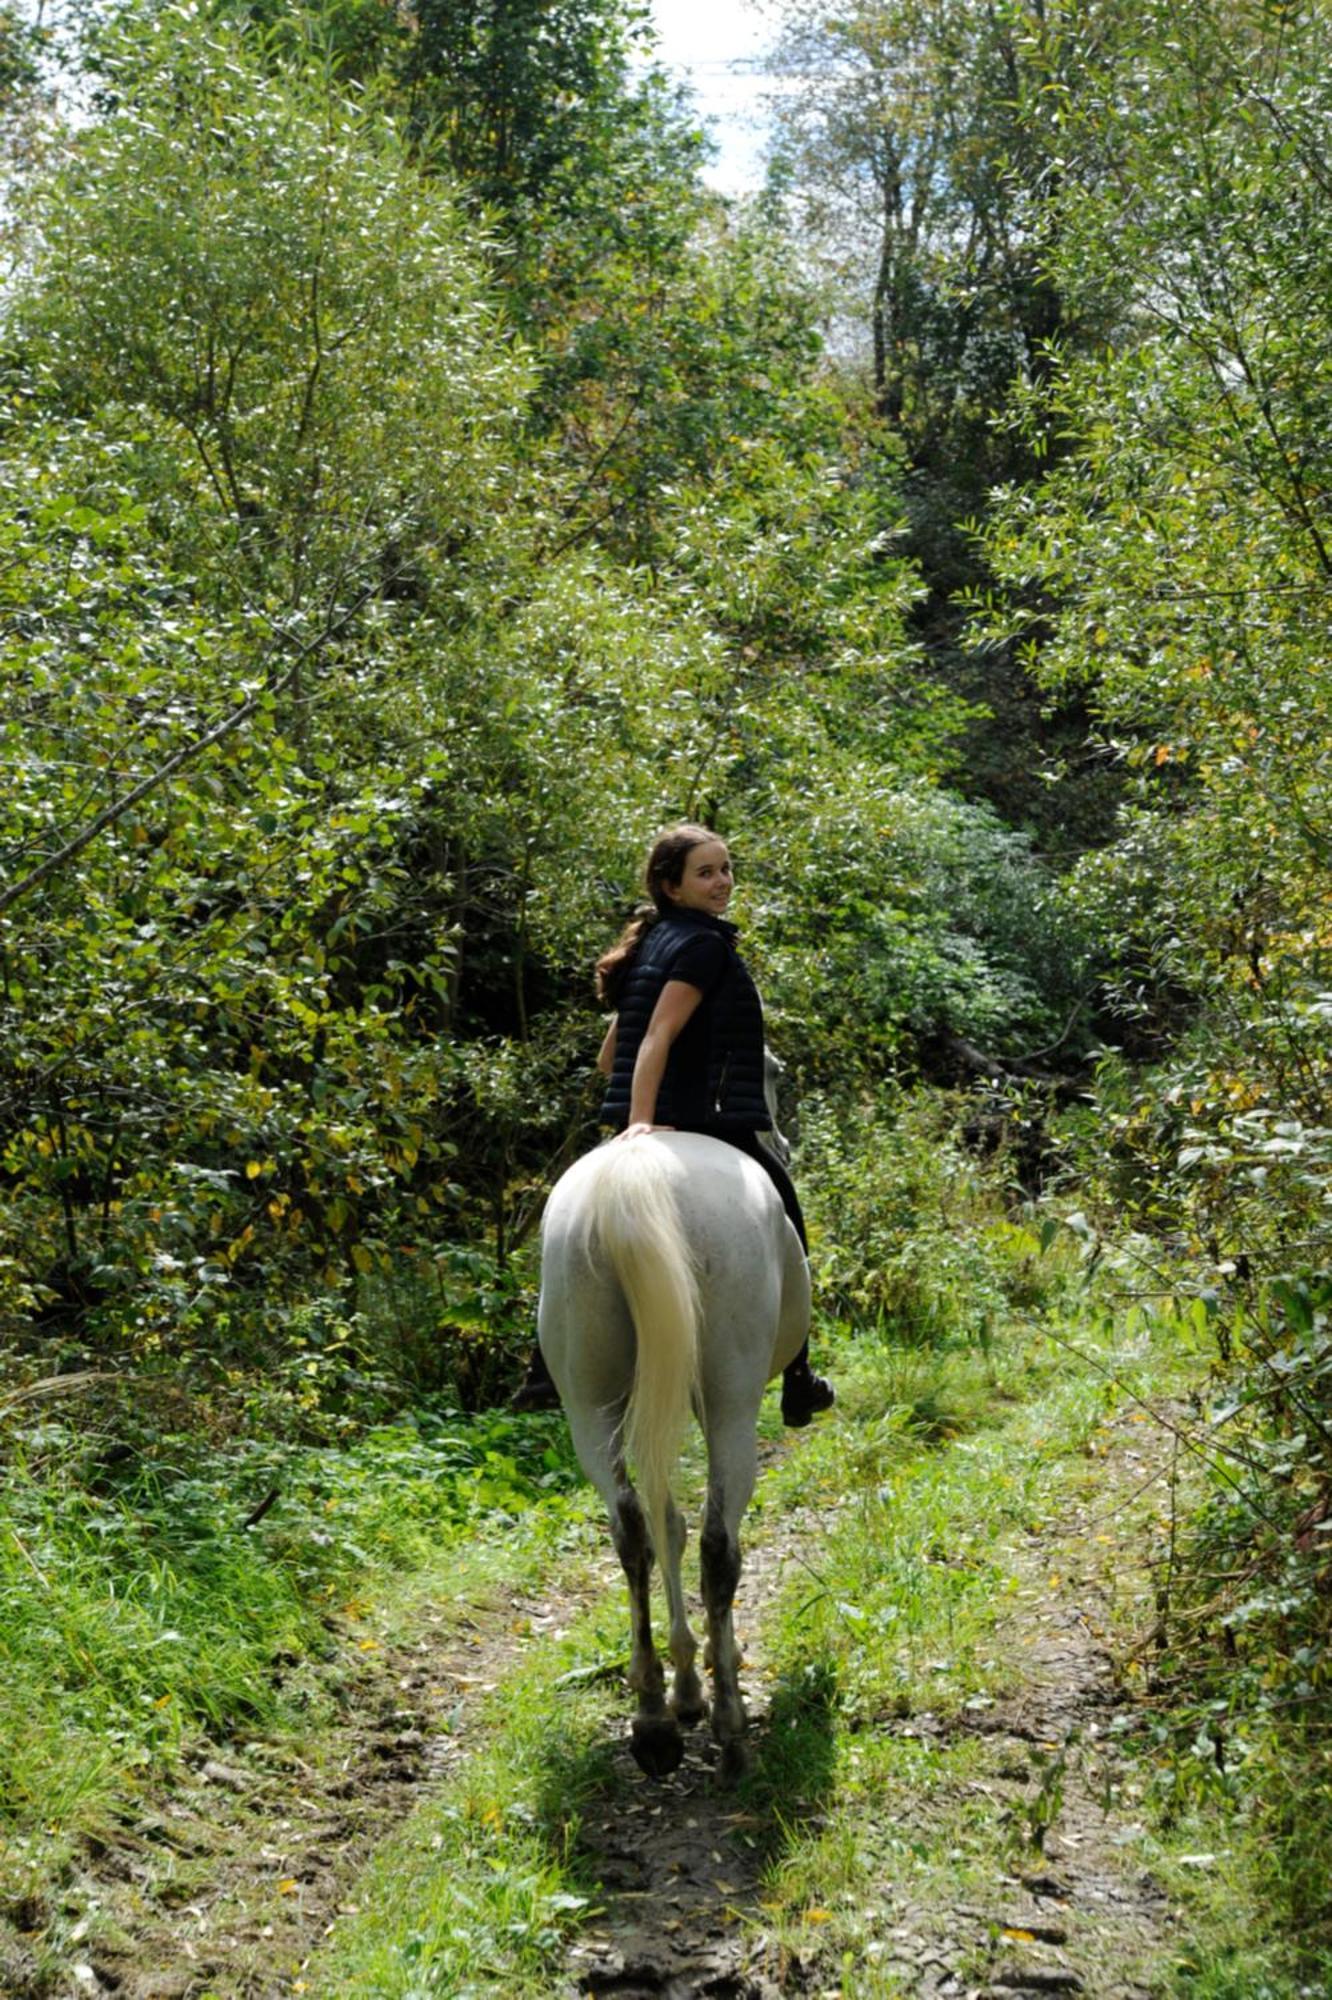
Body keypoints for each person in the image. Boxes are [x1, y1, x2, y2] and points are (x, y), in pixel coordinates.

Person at [515, 822, 833, 1425]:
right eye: (706, 873)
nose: (722, 882)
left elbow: (615, 1055)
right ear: (671, 885)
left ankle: (542, 1365)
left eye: (726, 869)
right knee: (785, 1209)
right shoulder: (706, 948)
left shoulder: (652, 942)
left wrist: (631, 1123)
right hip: (707, 1122)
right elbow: (658, 1036)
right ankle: (798, 1375)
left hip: (645, 1120)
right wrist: (643, 1123)